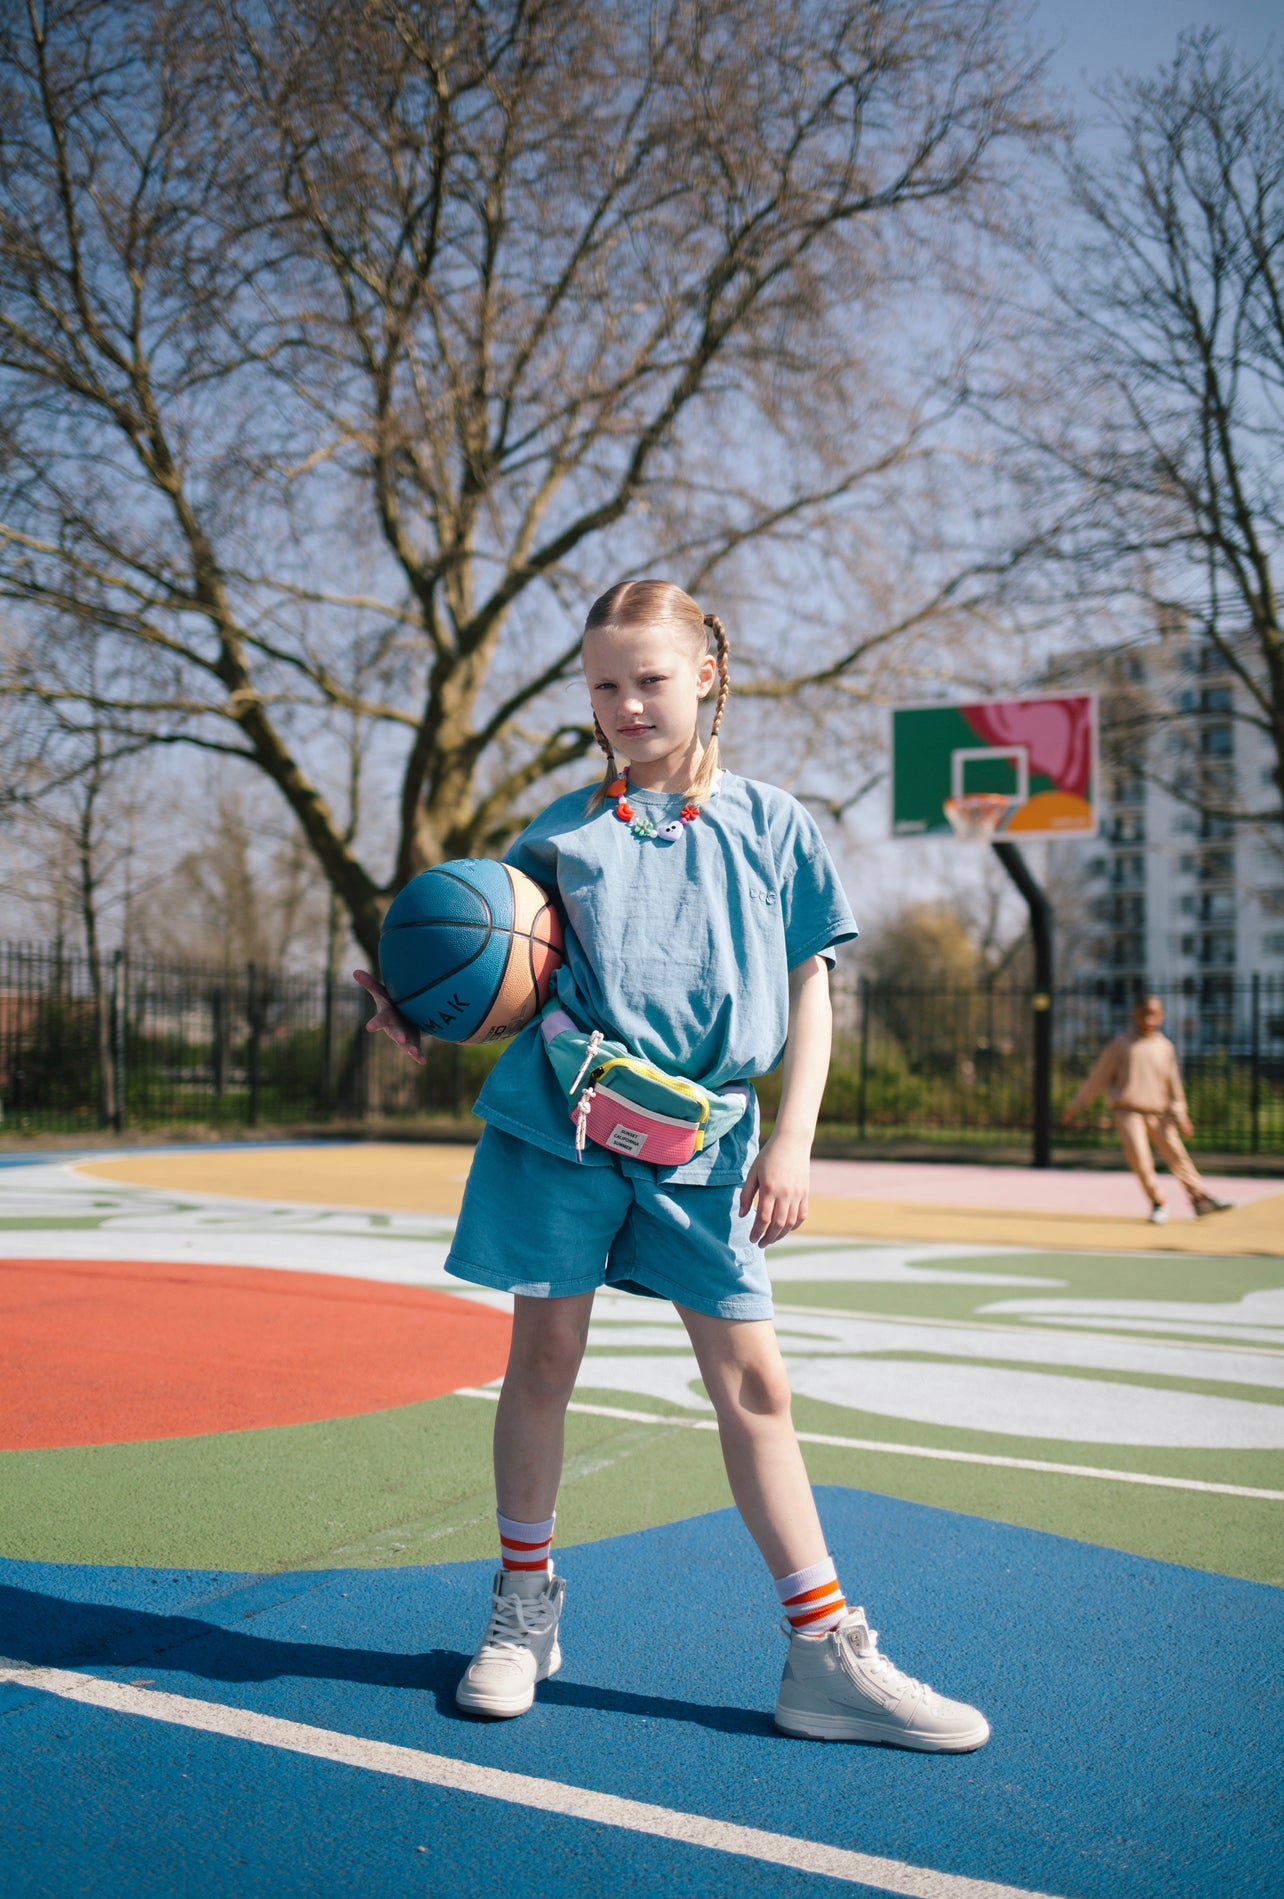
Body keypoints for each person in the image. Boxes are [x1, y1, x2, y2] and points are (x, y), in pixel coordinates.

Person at [356, 579, 989, 1752]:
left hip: (708, 1145)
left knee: (757, 1387)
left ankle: (822, 1656)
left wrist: (794, 1136)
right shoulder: (559, 831)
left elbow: (813, 986)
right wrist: (423, 1014)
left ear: (706, 676)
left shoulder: (774, 823)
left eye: (649, 679)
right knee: (542, 1358)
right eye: (603, 684)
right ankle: (522, 1611)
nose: (626, 703)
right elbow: (500, 964)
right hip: (564, 1124)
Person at [1061, 995, 1233, 1224]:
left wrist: (1181, 1114)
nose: (1149, 1019)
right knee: (1140, 1159)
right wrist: (1077, 1106)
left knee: (1178, 1155)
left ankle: (1200, 1198)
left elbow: (1173, 1086)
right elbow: (1098, 1078)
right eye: (1145, 1014)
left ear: (1162, 1016)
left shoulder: (1165, 1047)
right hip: (1128, 1112)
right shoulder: (1121, 1045)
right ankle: (1158, 1202)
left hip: (1160, 1114)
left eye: (1155, 1014)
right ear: (1135, 1014)